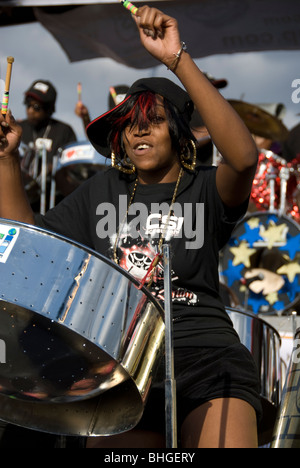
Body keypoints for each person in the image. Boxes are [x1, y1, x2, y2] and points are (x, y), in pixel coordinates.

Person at [0, 6, 261, 448]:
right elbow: (29, 241)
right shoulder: (102, 189)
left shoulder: (206, 186)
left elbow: (244, 158)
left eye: (155, 121)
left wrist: (177, 58)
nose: (139, 132)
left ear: (179, 133)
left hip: (206, 356)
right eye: (129, 125)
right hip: (122, 365)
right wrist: (6, 159)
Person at [19, 79, 77, 210]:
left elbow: (73, 167)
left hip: (54, 201)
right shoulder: (18, 128)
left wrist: (52, 168)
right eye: (27, 104)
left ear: (49, 109)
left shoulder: (63, 130)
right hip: (21, 198)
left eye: (36, 107)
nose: (30, 110)